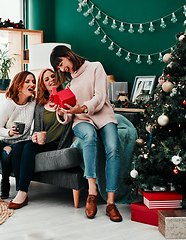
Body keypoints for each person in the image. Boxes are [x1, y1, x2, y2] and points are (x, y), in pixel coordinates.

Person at [50, 45, 122, 222]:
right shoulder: (70, 84)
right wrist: (62, 113)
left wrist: (81, 107)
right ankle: (92, 192)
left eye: (60, 63)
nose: (61, 68)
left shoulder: (95, 67)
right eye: (58, 67)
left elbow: (99, 97)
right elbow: (69, 114)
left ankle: (111, 203)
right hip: (81, 121)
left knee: (113, 148)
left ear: (67, 55)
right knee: (89, 137)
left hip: (103, 116)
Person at [8, 68, 74, 209]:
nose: (51, 80)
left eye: (52, 76)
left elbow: (69, 118)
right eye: (46, 79)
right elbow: (37, 128)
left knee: (29, 148)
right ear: (43, 85)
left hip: (57, 143)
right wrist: (35, 136)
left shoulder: (66, 96)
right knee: (18, 147)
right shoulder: (40, 104)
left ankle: (23, 191)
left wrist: (61, 113)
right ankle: (20, 189)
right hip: (43, 141)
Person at [0, 71, 36, 202]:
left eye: (33, 81)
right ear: (18, 85)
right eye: (27, 81)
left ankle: (5, 182)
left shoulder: (33, 104)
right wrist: (9, 132)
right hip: (4, 138)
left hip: (20, 142)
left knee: (7, 154)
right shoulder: (9, 104)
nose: (32, 84)